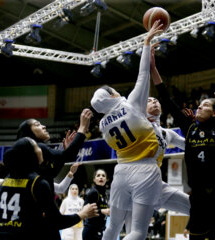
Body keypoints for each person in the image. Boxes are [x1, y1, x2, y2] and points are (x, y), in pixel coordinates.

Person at [152, 50, 215, 239]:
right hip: (199, 197)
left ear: (214, 113)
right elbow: (168, 102)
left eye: (205, 106)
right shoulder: (190, 128)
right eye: (199, 105)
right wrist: (153, 68)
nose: (199, 107)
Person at [90, 21, 164, 240]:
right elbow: (143, 75)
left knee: (113, 226)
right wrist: (146, 42)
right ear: (112, 95)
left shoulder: (103, 125)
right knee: (138, 231)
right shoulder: (131, 104)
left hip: (121, 171)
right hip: (145, 168)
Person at [0, 137, 98, 240]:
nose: (40, 148)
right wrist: (82, 214)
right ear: (31, 154)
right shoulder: (37, 183)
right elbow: (56, 221)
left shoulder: (6, 180)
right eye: (36, 146)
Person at [124, 95, 190, 235]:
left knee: (196, 208)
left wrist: (194, 128)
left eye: (156, 100)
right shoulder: (136, 125)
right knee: (135, 235)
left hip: (155, 185)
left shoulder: (167, 133)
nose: (154, 102)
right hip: (134, 188)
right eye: (149, 100)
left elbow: (192, 146)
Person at [83, 169, 110, 240]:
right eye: (98, 175)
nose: (101, 177)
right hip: (90, 231)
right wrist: (102, 211)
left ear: (106, 179)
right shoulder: (93, 192)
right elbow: (84, 211)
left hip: (100, 230)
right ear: (94, 179)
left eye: (103, 176)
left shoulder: (105, 195)